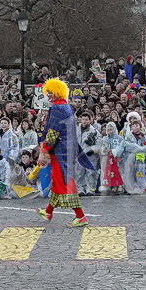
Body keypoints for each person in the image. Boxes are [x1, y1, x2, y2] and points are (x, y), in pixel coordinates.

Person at [34, 79, 93, 227]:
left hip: (60, 152)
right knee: (58, 181)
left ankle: (80, 216)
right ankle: (48, 212)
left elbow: (52, 133)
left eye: (50, 93)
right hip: (66, 150)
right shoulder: (66, 107)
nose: (48, 96)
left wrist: (43, 152)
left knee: (65, 183)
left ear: (57, 92)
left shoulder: (57, 109)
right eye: (47, 93)